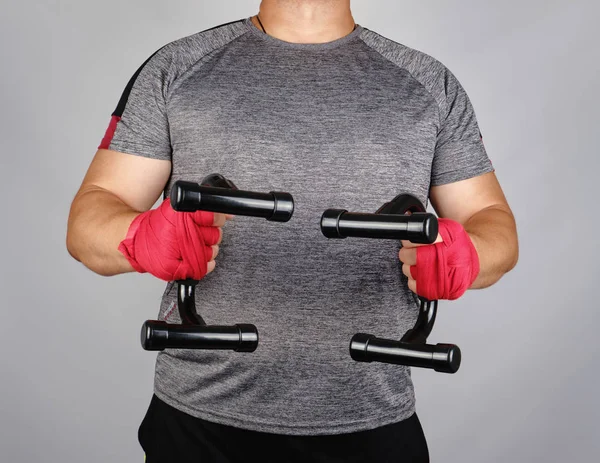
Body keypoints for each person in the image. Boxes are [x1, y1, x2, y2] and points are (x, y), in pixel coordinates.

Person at [66, 1, 519, 461]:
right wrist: (140, 238)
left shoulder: (429, 83)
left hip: (374, 422)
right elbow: (88, 224)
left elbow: (492, 221)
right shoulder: (175, 68)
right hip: (200, 427)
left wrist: (469, 254)